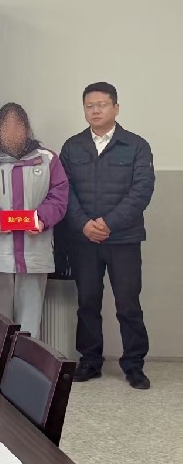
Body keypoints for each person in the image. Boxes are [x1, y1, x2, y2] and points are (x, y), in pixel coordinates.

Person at [60, 82, 155, 389]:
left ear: (116, 108)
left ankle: (134, 365)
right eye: (89, 106)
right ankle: (90, 361)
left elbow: (142, 191)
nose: (95, 110)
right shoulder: (72, 147)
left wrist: (108, 223)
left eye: (101, 104)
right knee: (87, 302)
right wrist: (84, 224)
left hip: (124, 240)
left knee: (128, 304)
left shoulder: (136, 145)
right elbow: (64, 192)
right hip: (84, 240)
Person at [0, 103, 69, 337]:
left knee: (30, 323)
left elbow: (59, 197)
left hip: (35, 251)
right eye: (6, 127)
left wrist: (41, 219)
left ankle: (25, 362)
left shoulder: (48, 159)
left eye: (17, 126)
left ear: (27, 128)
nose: (12, 132)